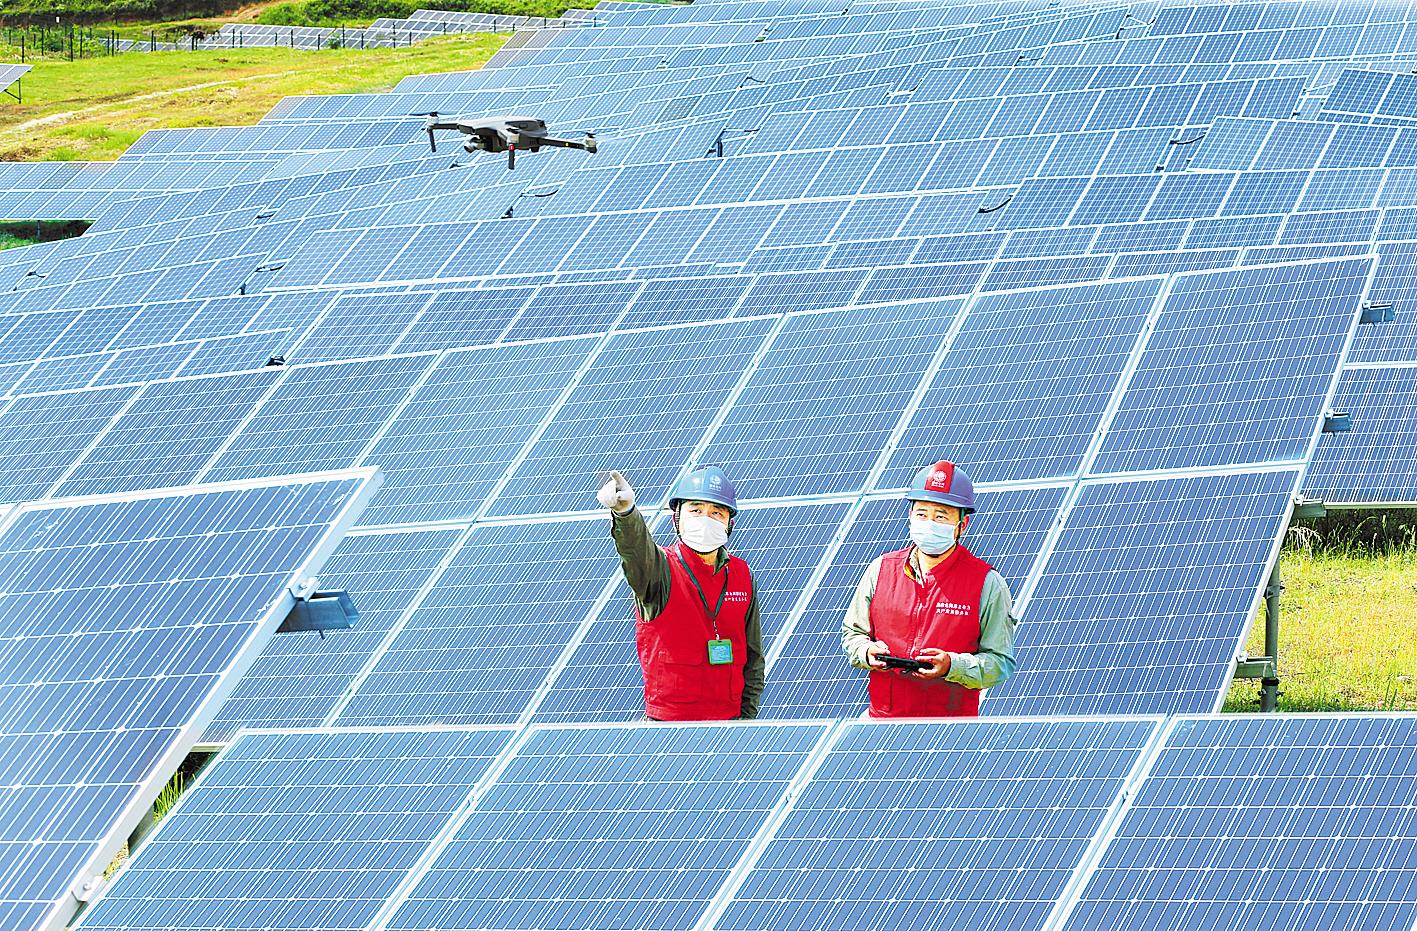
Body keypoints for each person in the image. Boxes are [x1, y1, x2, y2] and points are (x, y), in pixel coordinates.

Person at [841, 460, 1016, 717]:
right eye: (922, 513)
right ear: (910, 516)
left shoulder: (988, 584)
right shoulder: (880, 570)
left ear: (962, 525)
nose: (929, 523)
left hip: (950, 736)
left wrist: (952, 666)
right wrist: (866, 652)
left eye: (941, 516)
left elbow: (999, 663)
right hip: (879, 726)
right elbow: (852, 634)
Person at [597, 466, 764, 721]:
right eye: (696, 510)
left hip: (730, 724)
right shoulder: (659, 568)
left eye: (716, 512)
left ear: (729, 523)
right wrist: (626, 515)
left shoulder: (742, 574)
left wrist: (747, 721)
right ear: (677, 517)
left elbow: (753, 657)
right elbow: (635, 551)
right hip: (668, 728)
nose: (706, 519)